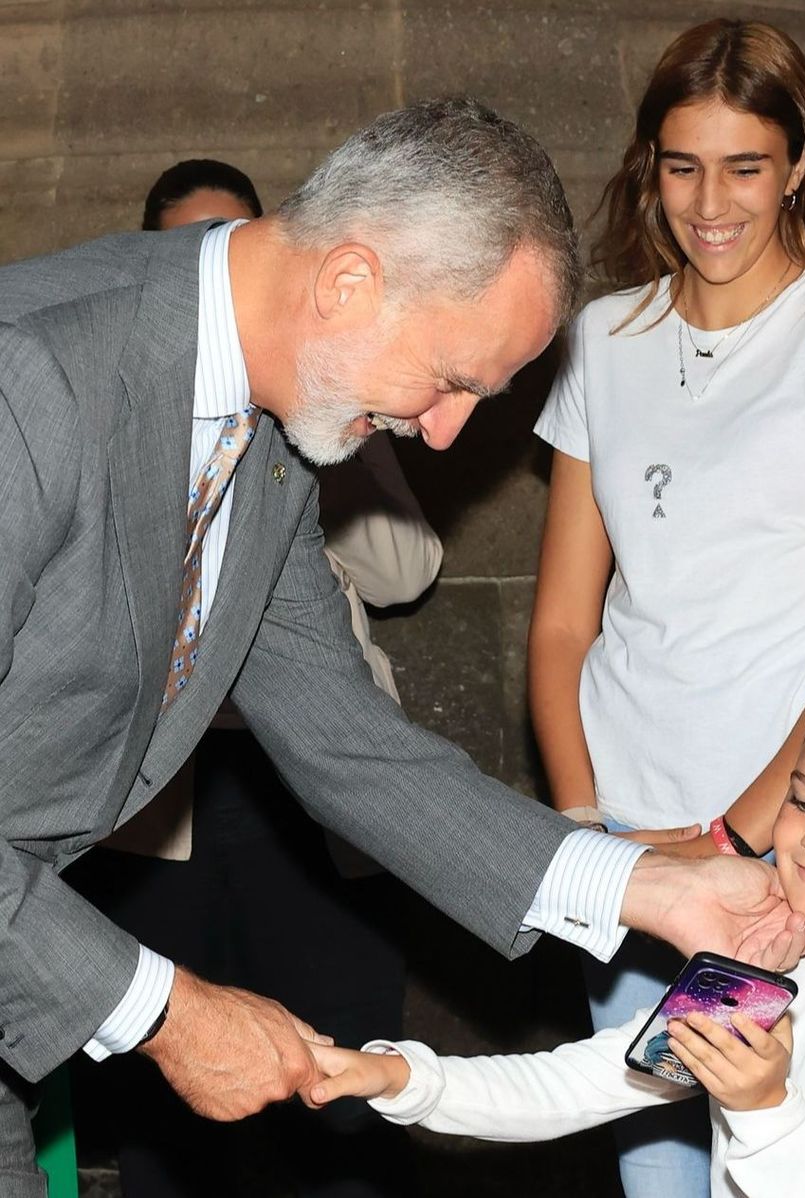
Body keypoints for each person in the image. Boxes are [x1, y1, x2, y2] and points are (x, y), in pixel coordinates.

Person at [0, 97, 805, 1195]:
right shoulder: (29, 380)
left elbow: (350, 742)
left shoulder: (269, 422)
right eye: (454, 379)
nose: (443, 432)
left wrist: (650, 888)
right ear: (349, 281)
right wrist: (156, 1008)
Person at [526, 18, 805, 1194]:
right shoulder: (600, 341)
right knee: (656, 1173)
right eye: (681, 164)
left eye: (745, 166)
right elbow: (563, 622)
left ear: (799, 165)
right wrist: (584, 827)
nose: (709, 202)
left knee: (788, 1165)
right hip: (632, 850)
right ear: (648, 167)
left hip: (794, 853)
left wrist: (741, 832)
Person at [310, 646, 805, 1198]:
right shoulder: (771, 968)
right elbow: (585, 1084)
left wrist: (765, 1108)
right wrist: (403, 1078)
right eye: (802, 802)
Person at [66, 160, 443, 1197]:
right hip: (159, 792)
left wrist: (334, 425)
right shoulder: (90, 399)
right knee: (170, 1104)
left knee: (341, 1082)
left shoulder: (332, 408)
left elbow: (405, 569)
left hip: (301, 789)